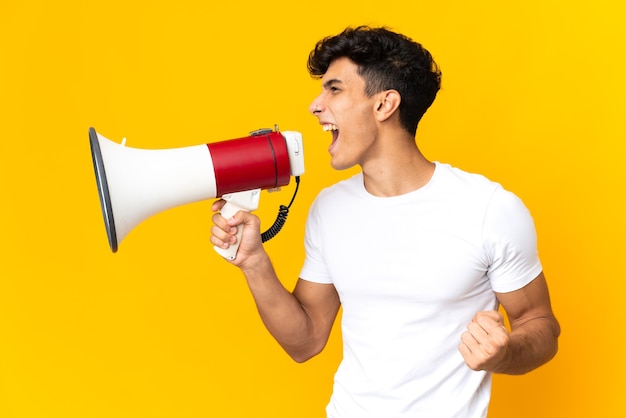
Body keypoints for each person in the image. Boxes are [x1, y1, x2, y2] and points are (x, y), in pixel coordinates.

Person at [210, 25, 560, 418]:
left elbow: (540, 323)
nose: (315, 105)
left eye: (335, 89)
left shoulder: (488, 208)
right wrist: (254, 262)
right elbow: (305, 341)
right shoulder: (330, 208)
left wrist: (506, 353)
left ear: (384, 105)